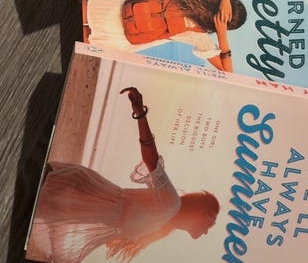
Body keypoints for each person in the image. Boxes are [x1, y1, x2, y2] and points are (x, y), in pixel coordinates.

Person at [30, 87, 219, 263]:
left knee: (30, 196)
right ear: (200, 212)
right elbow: (151, 160)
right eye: (211, 223)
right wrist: (140, 114)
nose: (207, 232)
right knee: (31, 186)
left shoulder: (163, 225)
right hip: (86, 197)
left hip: (85, 207)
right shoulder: (171, 203)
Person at [84, 0, 247, 72]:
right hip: (126, 34)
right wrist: (222, 36)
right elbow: (228, 74)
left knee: (85, 9)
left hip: (122, 6)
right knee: (83, 38)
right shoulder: (200, 37)